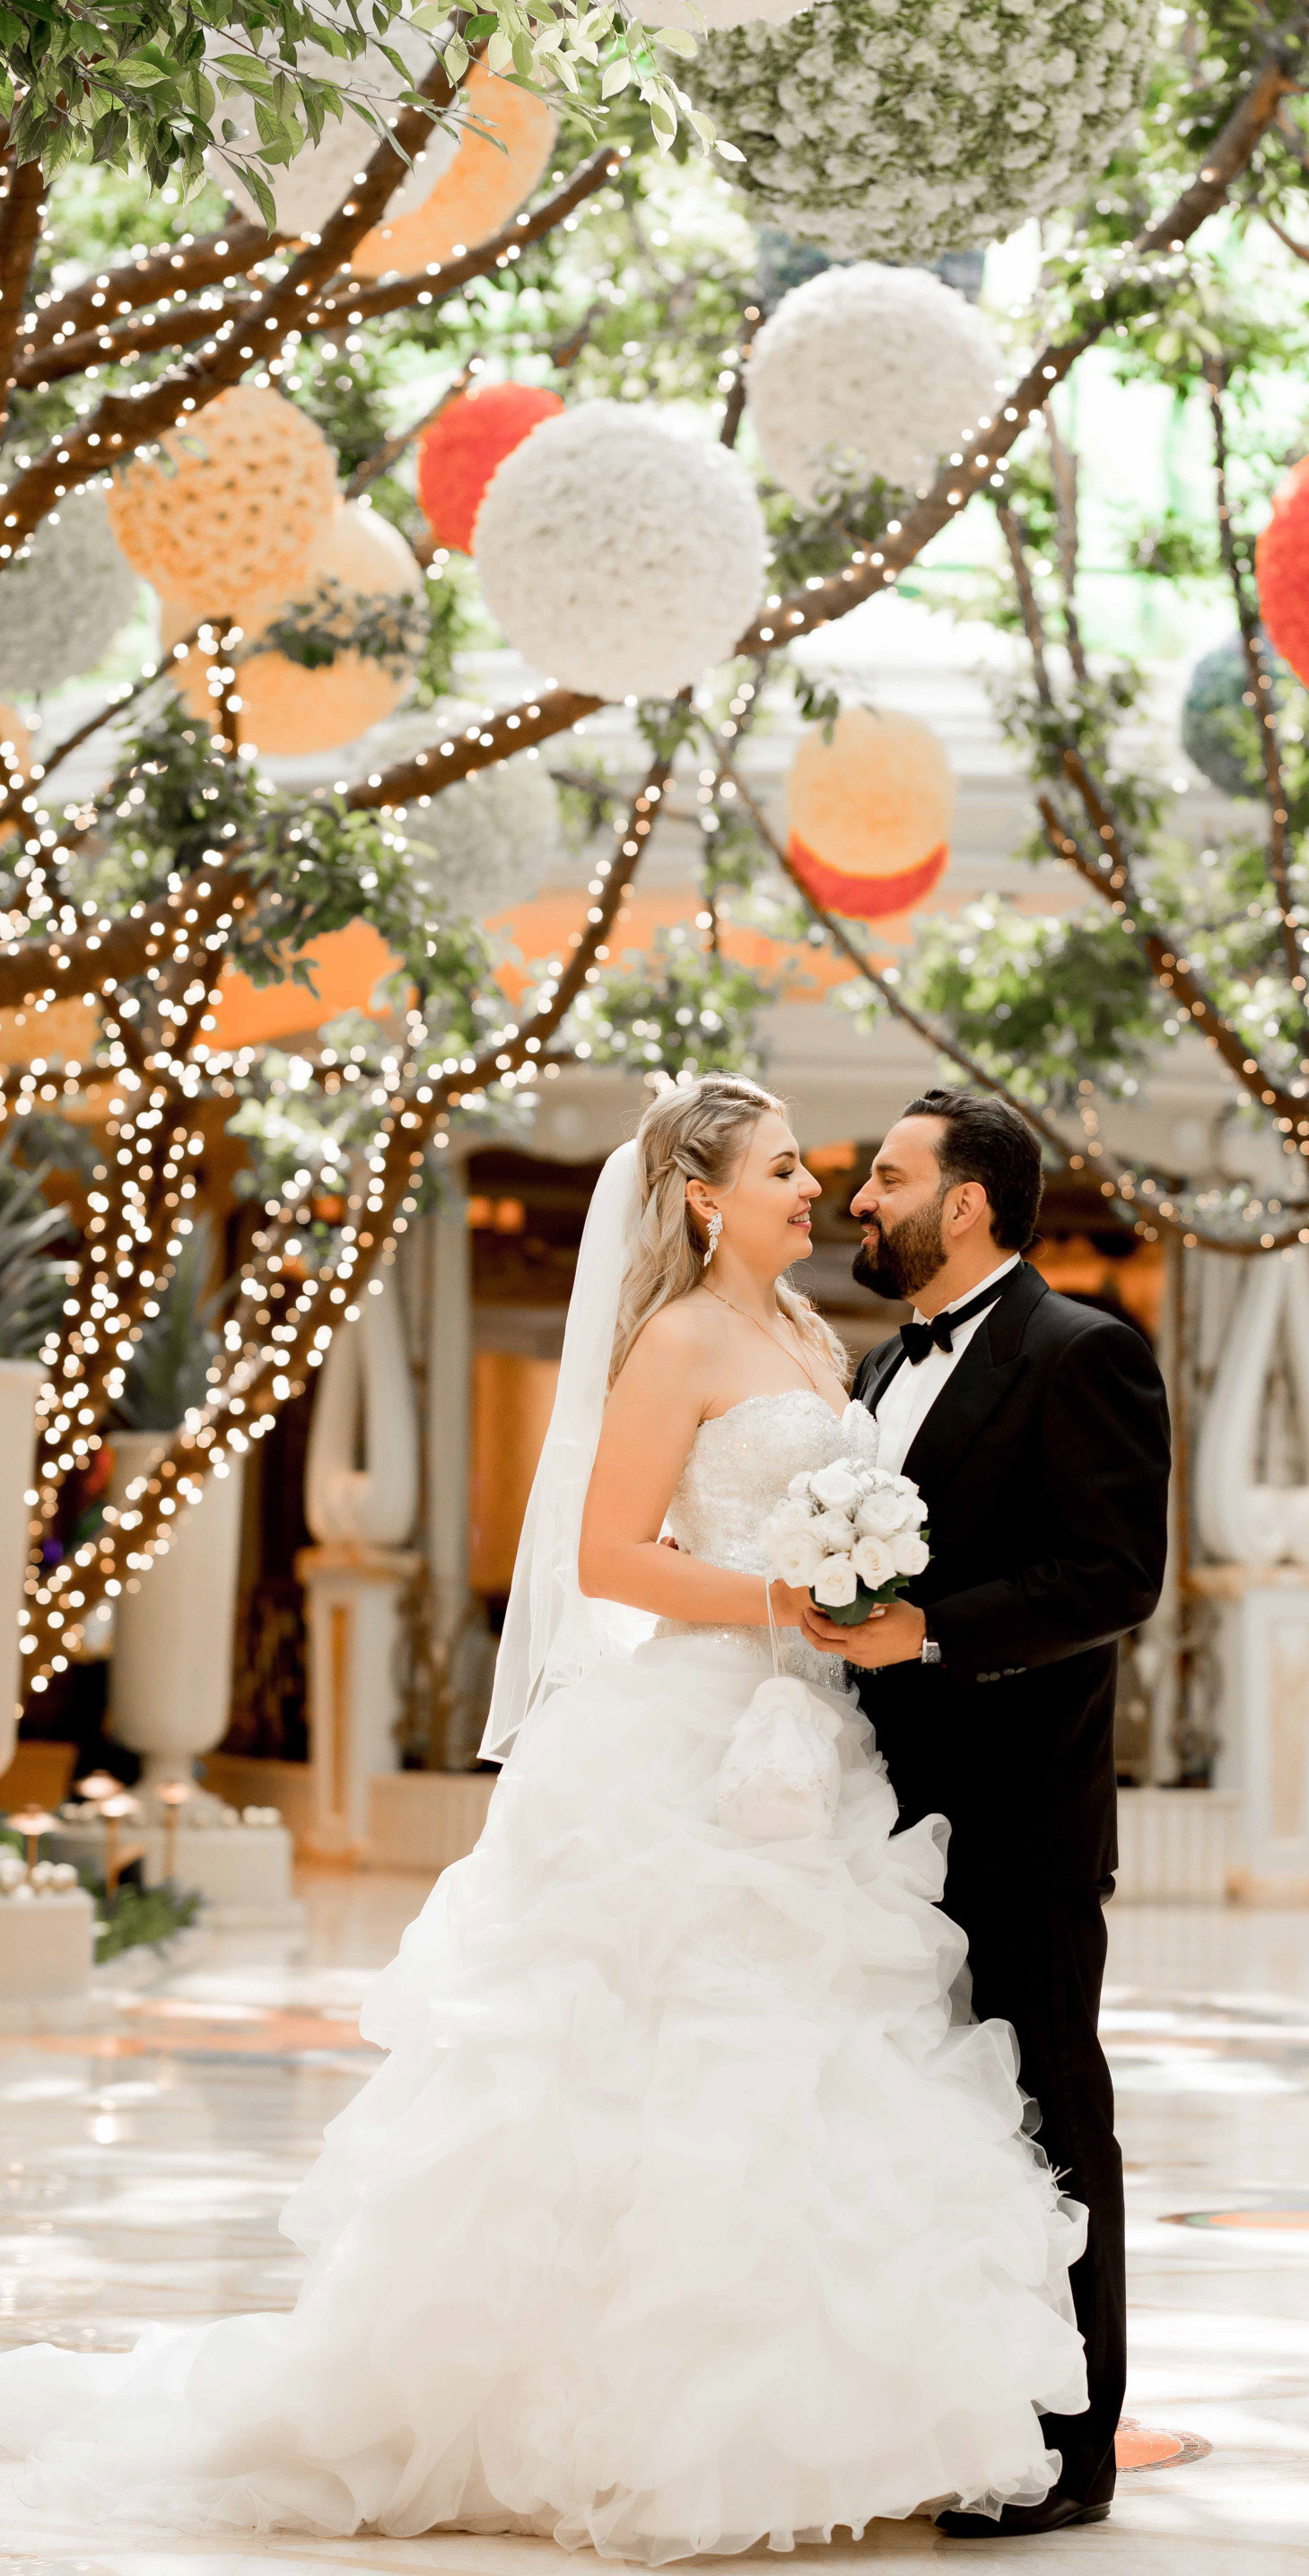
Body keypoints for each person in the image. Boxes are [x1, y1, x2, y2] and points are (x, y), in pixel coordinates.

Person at [0, 1075, 1088, 2563]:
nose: (814, 1191)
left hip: (814, 1743)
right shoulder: (681, 1338)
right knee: (656, 2056)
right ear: (704, 1198)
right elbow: (610, 1555)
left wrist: (852, 1603)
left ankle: (813, 2417)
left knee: (808, 2069)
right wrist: (784, 1599)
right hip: (691, 1732)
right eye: (783, 1167)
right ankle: (603, 2420)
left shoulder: (814, 1338)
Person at [798, 1088, 1172, 2539]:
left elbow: (1111, 1579)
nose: (857, 1203)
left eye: (884, 1179)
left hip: (1017, 1815)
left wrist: (931, 1635)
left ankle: (1071, 2448)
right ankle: (944, 2409)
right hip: (873, 1817)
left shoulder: (1084, 1354)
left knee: (1044, 2111)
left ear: (964, 1204)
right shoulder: (878, 1365)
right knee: (920, 2123)